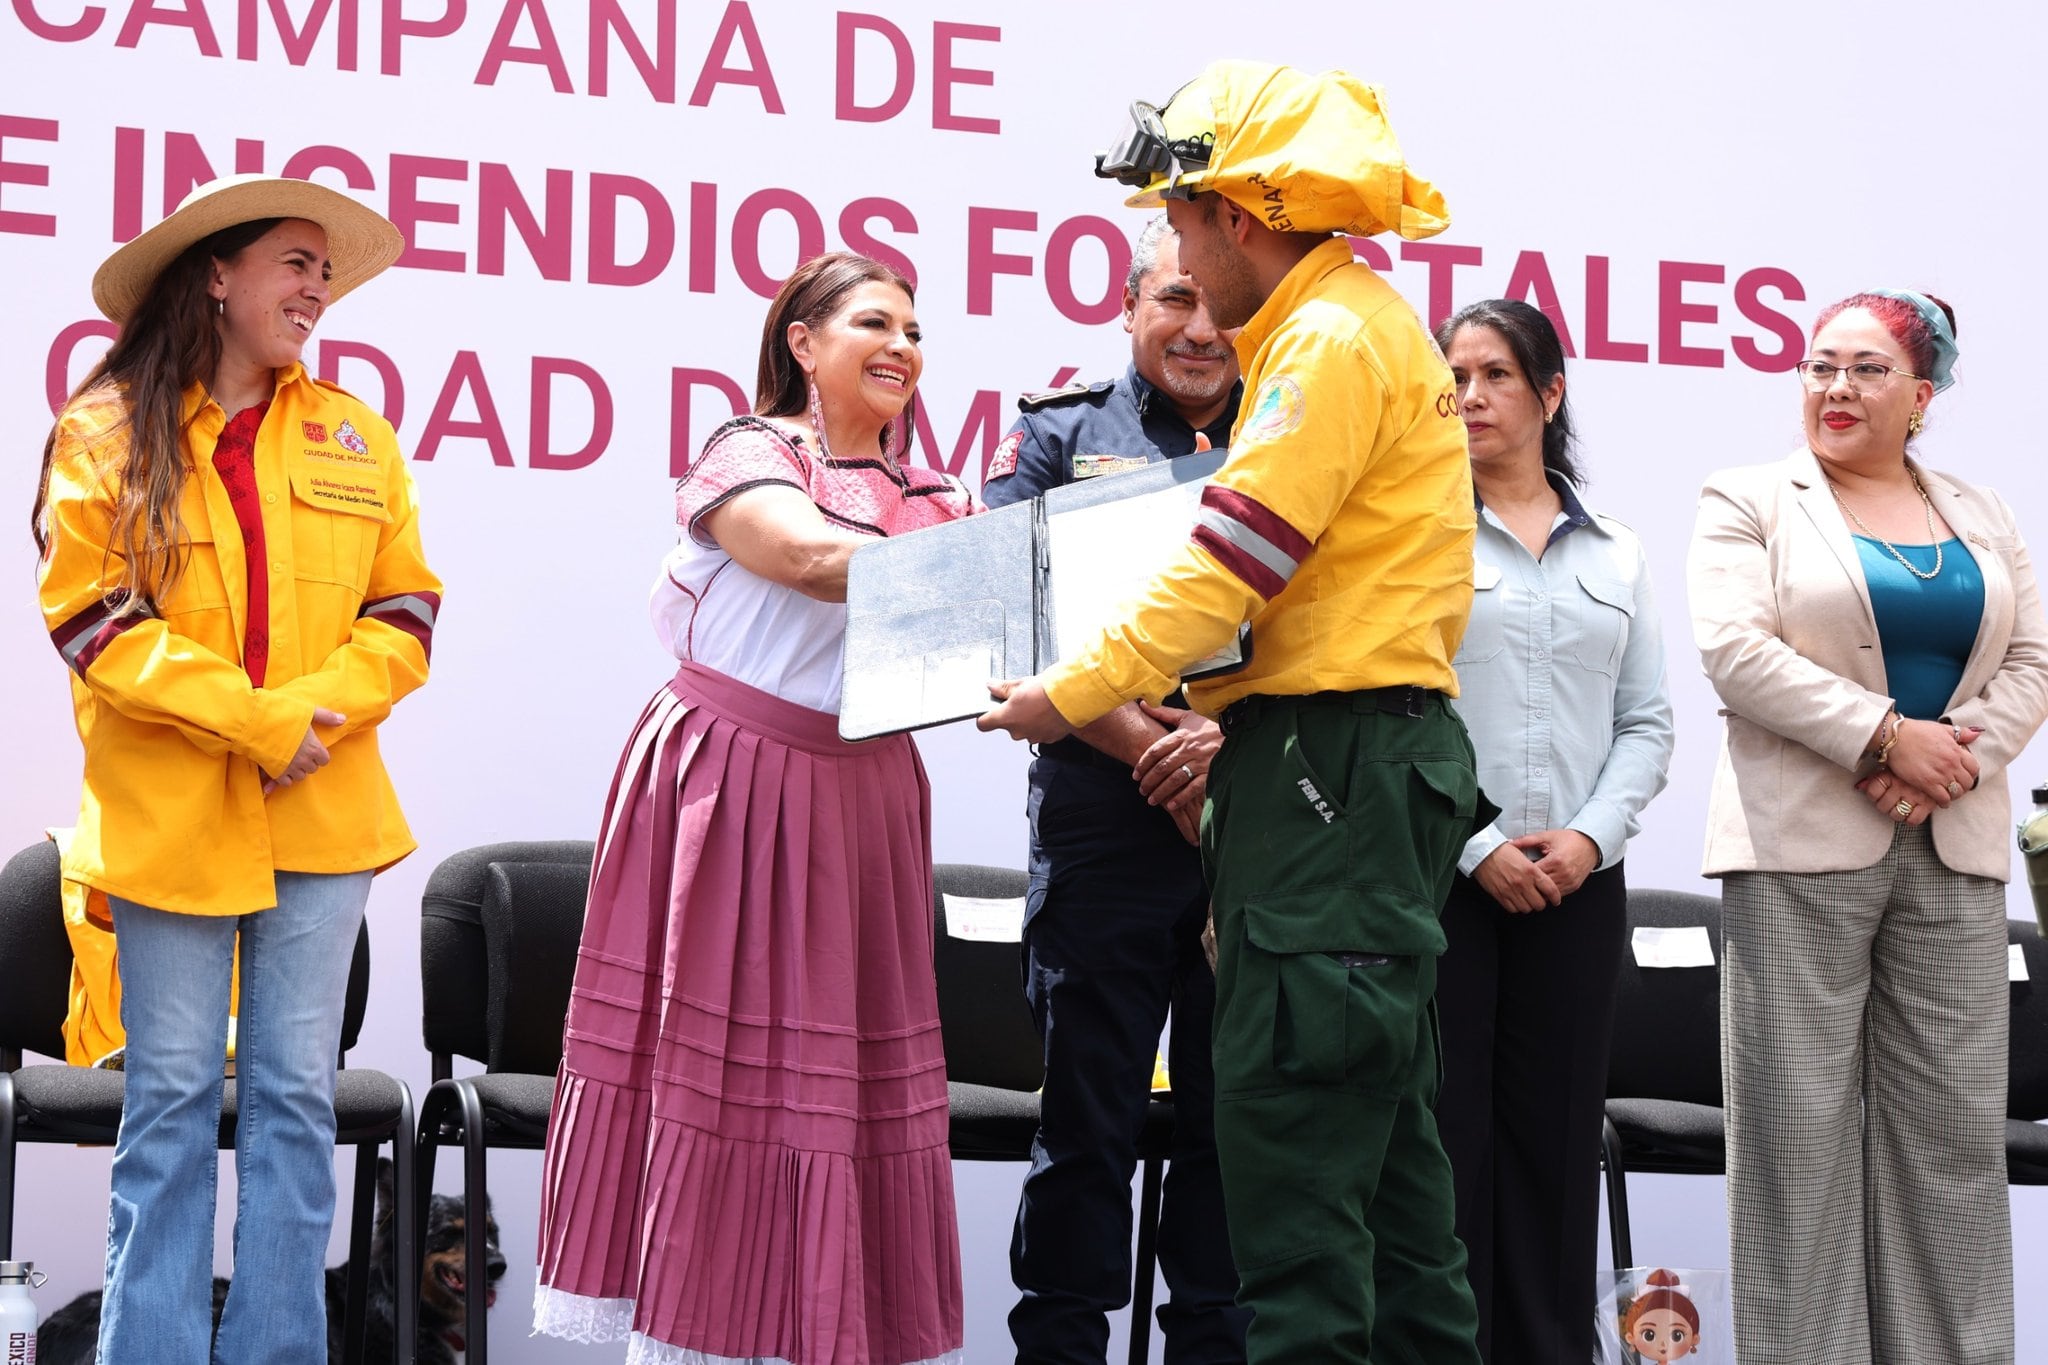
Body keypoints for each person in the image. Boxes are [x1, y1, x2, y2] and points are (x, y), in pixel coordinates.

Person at [981, 60, 1488, 1365]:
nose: (1184, 257)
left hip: (1329, 772)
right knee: (1391, 1182)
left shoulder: (1322, 341)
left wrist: (1068, 692)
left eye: (1187, 222)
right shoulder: (1360, 326)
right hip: (1359, 772)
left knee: (1296, 1170)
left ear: (1242, 218)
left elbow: (1231, 563)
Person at [534, 251, 977, 1365]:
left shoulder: (943, 493)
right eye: (873, 322)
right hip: (726, 784)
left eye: (916, 331)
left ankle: (825, 1335)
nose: (902, 347)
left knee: (843, 1090)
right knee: (716, 1078)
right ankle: (690, 1339)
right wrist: (980, 565)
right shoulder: (753, 451)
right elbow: (806, 555)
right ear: (802, 342)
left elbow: (1010, 646)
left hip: (865, 802)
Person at [31, 172, 437, 1363]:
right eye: (295, 263)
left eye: (325, 270)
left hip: (324, 820)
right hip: (168, 821)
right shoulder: (104, 427)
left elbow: (405, 612)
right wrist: (263, 725)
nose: (316, 288)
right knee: (164, 1114)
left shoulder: (358, 431)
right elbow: (93, 620)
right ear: (217, 272)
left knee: (295, 1116)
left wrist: (306, 718)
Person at [1689, 288, 2048, 1364]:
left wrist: (1953, 757)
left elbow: (2030, 666)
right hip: (1798, 842)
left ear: (1919, 396)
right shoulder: (1746, 496)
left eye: (1862, 371)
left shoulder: (1980, 512)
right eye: (1816, 367)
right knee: (1793, 1146)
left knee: (1948, 1148)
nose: (1832, 390)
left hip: (1952, 847)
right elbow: (1734, 653)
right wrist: (1888, 739)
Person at [983, 215, 1248, 1364]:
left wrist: (1225, 757)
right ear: (1128, 309)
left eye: (1216, 306)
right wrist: (1155, 748)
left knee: (1228, 1132)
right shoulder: (1059, 436)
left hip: (1257, 826)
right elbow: (1016, 625)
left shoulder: (1296, 434)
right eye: (1171, 303)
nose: (1197, 331)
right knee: (1084, 1128)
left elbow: (1336, 628)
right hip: (1102, 826)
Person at [1431, 299, 1673, 1365]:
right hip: (1442, 880)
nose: (1470, 395)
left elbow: (1645, 722)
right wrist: (1477, 845)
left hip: (1577, 886)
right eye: (1455, 376)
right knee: (1442, 1148)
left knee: (1555, 1148)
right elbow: (1403, 715)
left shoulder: (1616, 552)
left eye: (1493, 374)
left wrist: (1586, 839)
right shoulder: (1413, 535)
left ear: (1548, 394)